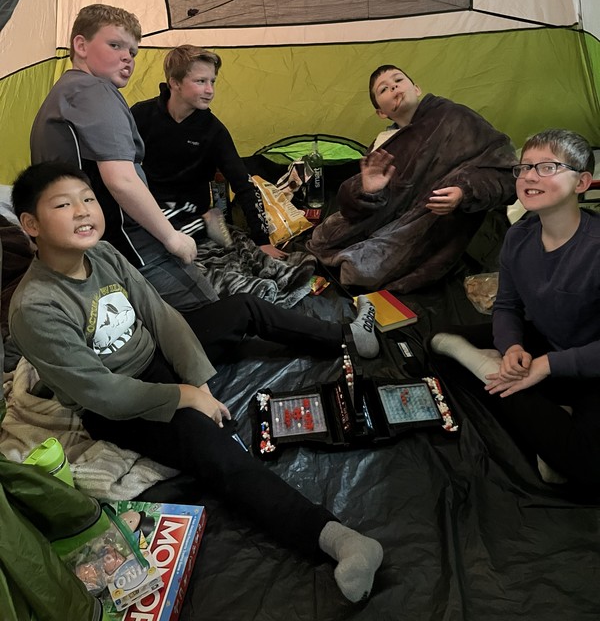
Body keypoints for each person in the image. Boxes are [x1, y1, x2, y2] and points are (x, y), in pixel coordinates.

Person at [8, 162, 384, 603]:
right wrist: (183, 398)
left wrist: (197, 380)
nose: (83, 211)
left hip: (157, 358)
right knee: (217, 448)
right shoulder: (35, 307)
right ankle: (338, 540)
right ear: (31, 224)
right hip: (121, 402)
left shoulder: (104, 255)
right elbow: (102, 394)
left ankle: (346, 335)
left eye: (88, 199)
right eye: (63, 204)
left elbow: (160, 314)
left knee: (244, 307)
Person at [28, 5, 319, 327]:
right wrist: (170, 237)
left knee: (219, 242)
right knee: (213, 305)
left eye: (133, 51)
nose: (128, 57)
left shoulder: (211, 130)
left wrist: (261, 238)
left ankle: (213, 234)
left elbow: (241, 180)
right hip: (131, 231)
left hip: (141, 221)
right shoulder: (106, 96)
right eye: (116, 45)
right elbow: (122, 180)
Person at [430, 129, 600, 486]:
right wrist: (513, 348)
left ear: (582, 181)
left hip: (591, 364)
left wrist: (547, 365)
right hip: (546, 340)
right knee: (436, 344)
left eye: (547, 167)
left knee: (589, 468)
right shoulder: (518, 236)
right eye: (524, 168)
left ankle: (507, 384)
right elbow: (507, 305)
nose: (530, 177)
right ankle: (516, 388)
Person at [308, 65, 516, 292]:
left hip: (431, 220)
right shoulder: (383, 143)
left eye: (398, 80)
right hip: (388, 215)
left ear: (416, 89)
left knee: (360, 268)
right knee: (321, 238)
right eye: (384, 89)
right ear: (381, 112)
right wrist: (368, 191)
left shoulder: (453, 117)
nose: (394, 86)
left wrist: (463, 192)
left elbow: (505, 170)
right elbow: (355, 202)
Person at [131, 45, 280, 258]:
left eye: (213, 81)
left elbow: (243, 184)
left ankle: (203, 222)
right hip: (150, 205)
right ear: (175, 83)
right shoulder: (141, 114)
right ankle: (201, 224)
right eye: (201, 81)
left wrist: (262, 241)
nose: (210, 90)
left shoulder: (213, 131)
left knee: (158, 236)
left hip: (189, 210)